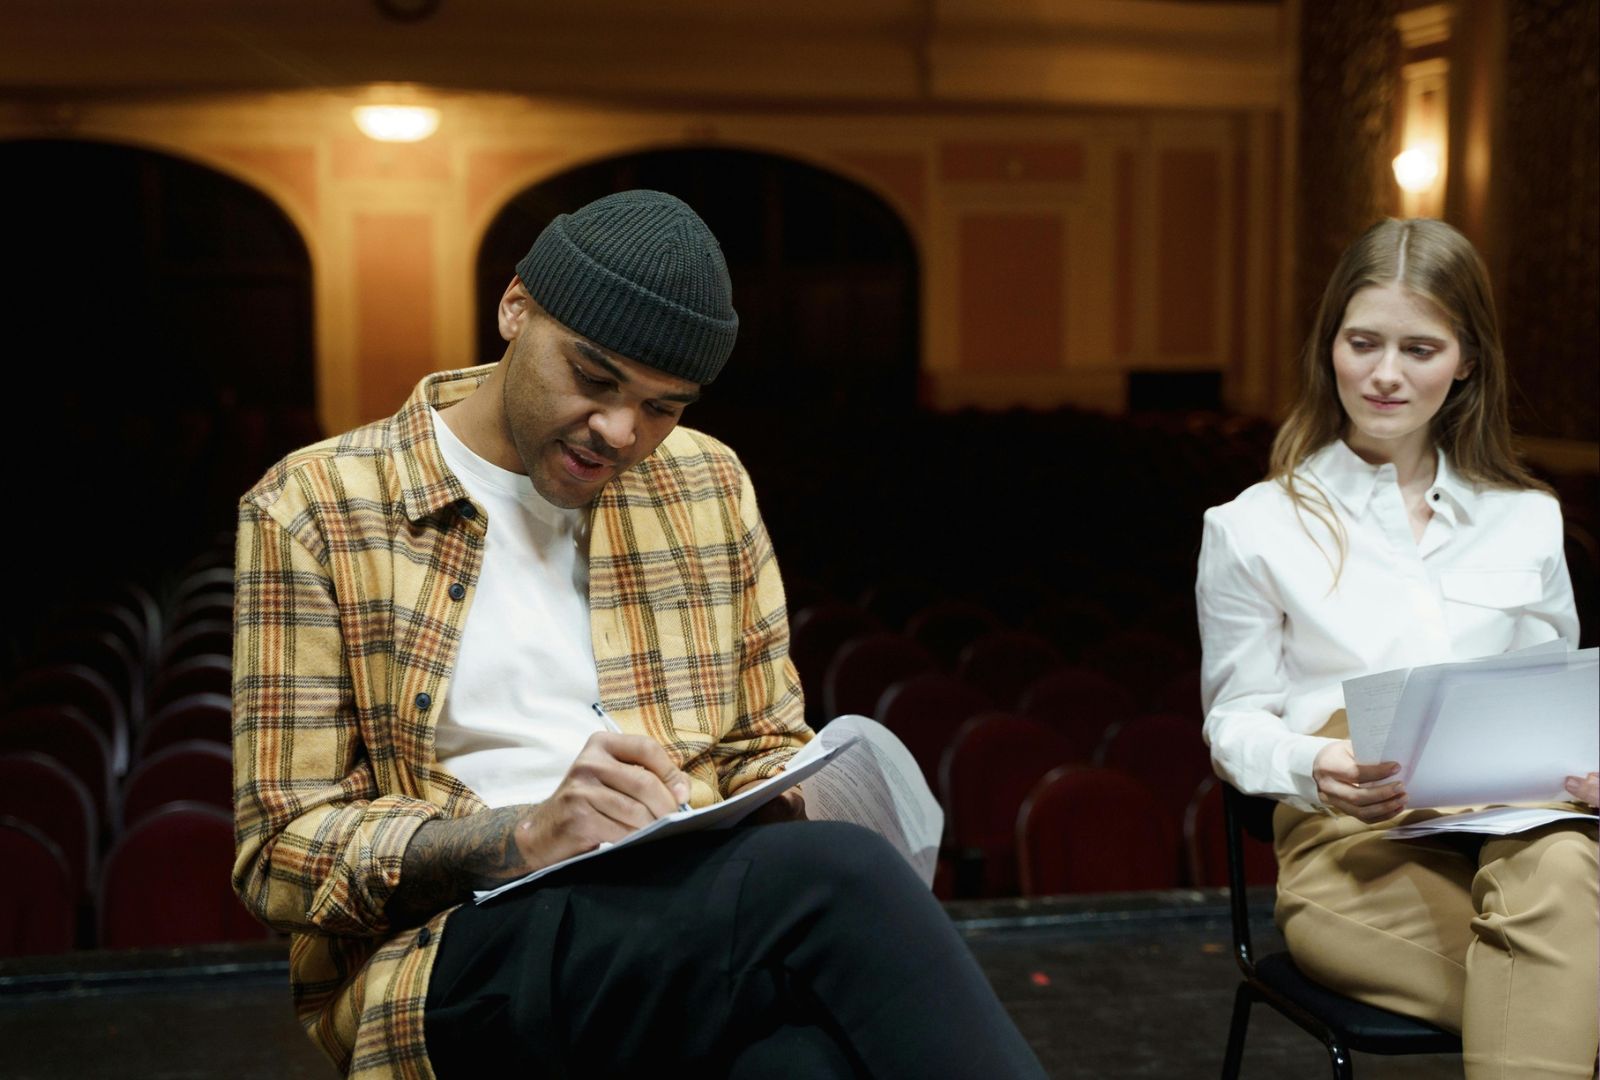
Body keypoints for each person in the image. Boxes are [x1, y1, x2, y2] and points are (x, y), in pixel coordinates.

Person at [231, 189, 1046, 1080]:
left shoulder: (707, 483)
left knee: (804, 1067)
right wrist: (526, 835)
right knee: (837, 880)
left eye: (663, 407)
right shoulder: (316, 504)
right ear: (514, 309)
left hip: (686, 919)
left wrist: (776, 796)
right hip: (456, 950)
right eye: (594, 378)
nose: (621, 431)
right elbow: (281, 854)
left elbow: (761, 743)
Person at [1197, 217, 1598, 1078]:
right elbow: (1233, 721)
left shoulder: (1527, 519)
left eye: (1419, 348)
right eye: (1363, 342)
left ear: (1466, 361)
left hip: (1524, 836)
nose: (1385, 374)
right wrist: (1314, 762)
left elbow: (1561, 701)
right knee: (1564, 987)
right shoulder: (1253, 527)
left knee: (1563, 864)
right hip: (1352, 848)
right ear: (1329, 346)